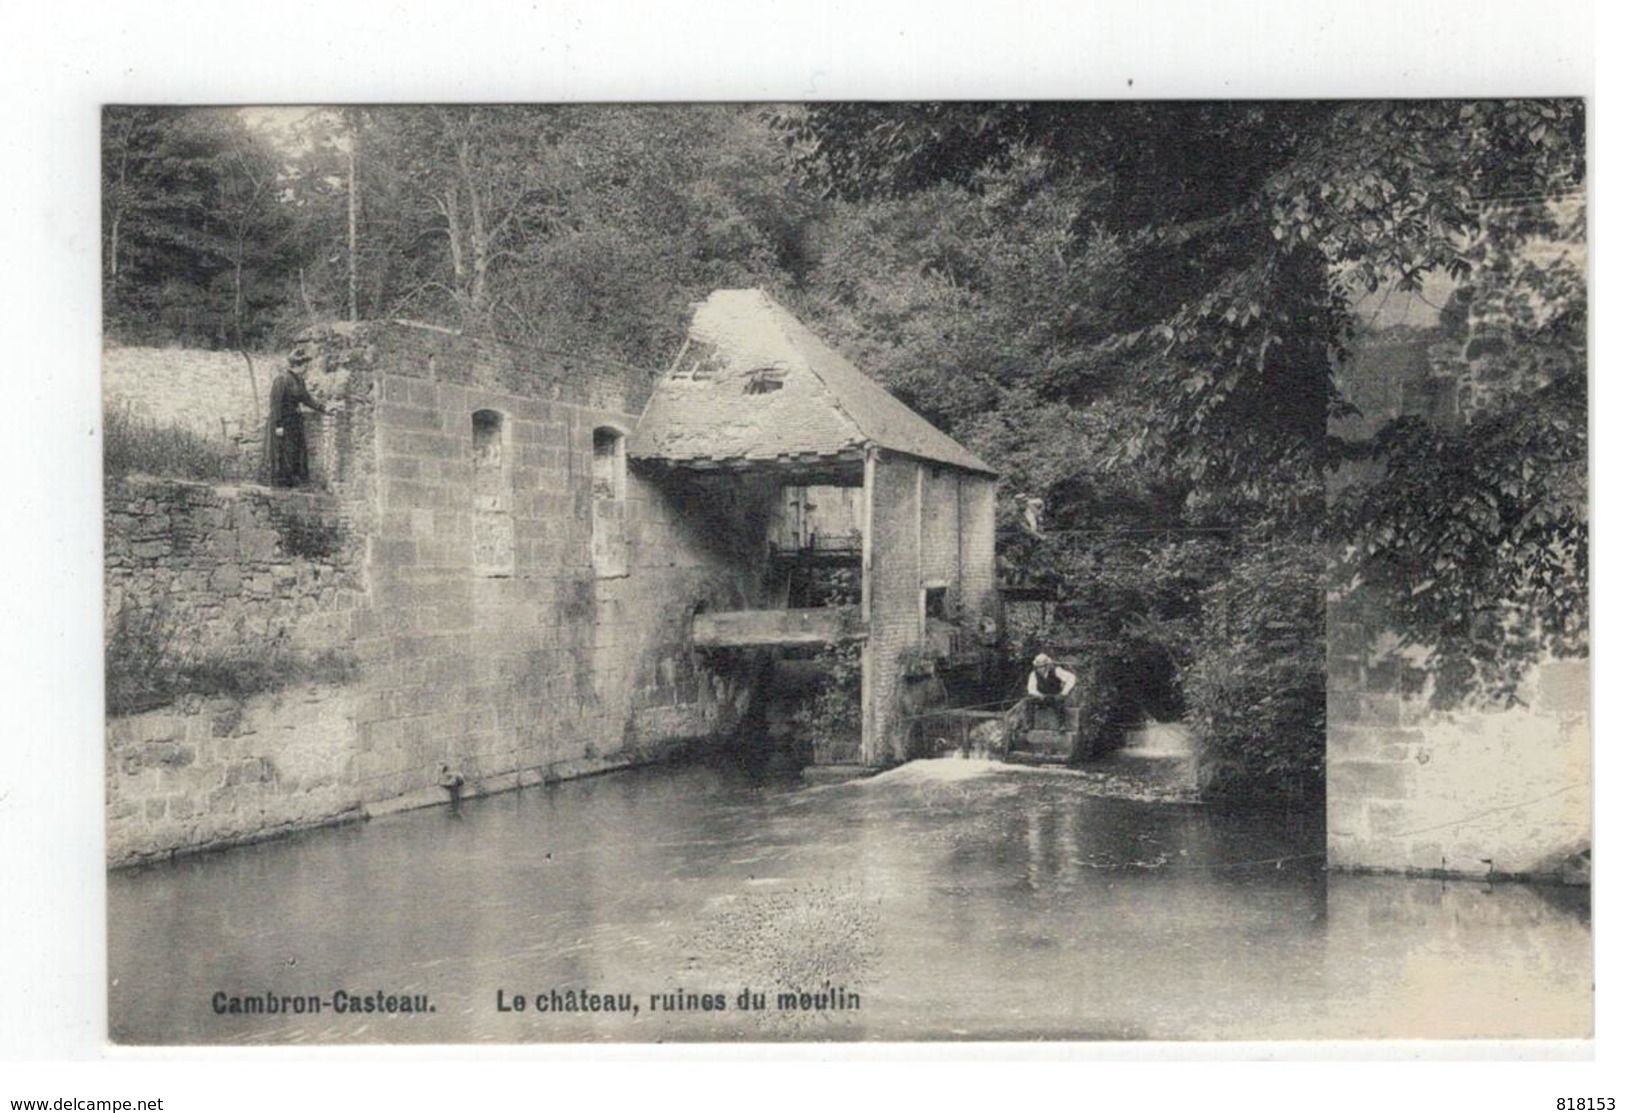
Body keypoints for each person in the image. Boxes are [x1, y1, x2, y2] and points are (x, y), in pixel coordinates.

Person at [262, 362, 328, 487]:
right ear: (296, 366)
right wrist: (278, 425)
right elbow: (275, 404)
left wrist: (322, 408)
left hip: (295, 422)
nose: (306, 369)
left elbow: (306, 399)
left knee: (296, 451)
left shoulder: (299, 380)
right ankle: (282, 483)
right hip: (283, 421)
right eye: (304, 366)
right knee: (284, 451)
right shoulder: (281, 380)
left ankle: (295, 481)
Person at [1026, 653, 1076, 730]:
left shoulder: (1056, 671)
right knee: (1029, 701)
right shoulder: (1033, 674)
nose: (1040, 669)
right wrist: (1039, 695)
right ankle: (1029, 724)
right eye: (1038, 667)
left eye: (1042, 667)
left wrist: (1064, 693)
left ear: (1047, 666)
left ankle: (1062, 725)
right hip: (1042, 697)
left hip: (1055, 696)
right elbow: (1031, 689)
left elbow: (1072, 678)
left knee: (1059, 703)